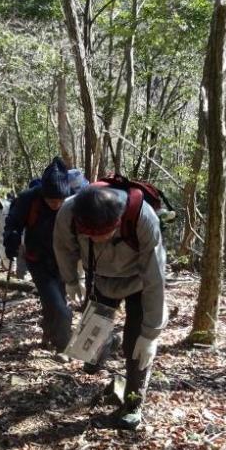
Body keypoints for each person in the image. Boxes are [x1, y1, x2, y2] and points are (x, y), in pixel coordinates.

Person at [53, 184, 168, 430]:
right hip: (100, 279)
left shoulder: (142, 217)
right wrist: (72, 280)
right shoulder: (69, 212)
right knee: (88, 348)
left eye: (102, 234)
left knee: (135, 346)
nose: (95, 239)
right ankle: (106, 343)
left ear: (117, 222)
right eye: (90, 235)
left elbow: (155, 278)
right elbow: (63, 247)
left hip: (138, 282)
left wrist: (150, 334)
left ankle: (133, 403)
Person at [2, 157, 77, 351]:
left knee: (54, 301)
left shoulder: (73, 200)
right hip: (37, 260)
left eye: (60, 200)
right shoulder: (29, 199)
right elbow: (13, 222)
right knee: (60, 308)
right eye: (51, 200)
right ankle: (63, 346)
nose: (56, 204)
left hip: (62, 261)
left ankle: (49, 335)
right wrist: (11, 237)